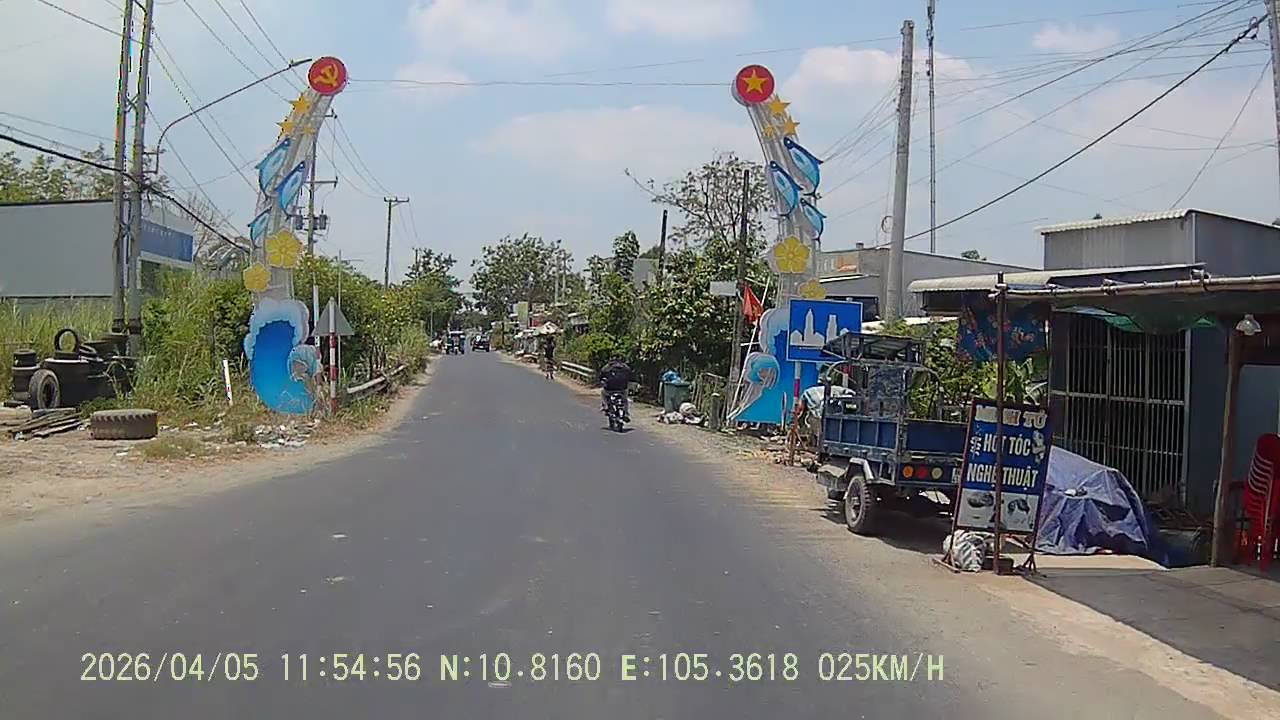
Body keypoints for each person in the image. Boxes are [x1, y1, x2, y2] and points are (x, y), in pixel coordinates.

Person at [598, 355, 632, 421]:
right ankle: (626, 413)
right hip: (622, 389)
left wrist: (602, 381)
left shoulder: (607, 367)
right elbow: (630, 375)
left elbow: (601, 375)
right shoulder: (625, 367)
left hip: (609, 388)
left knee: (603, 393)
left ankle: (606, 406)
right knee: (625, 400)